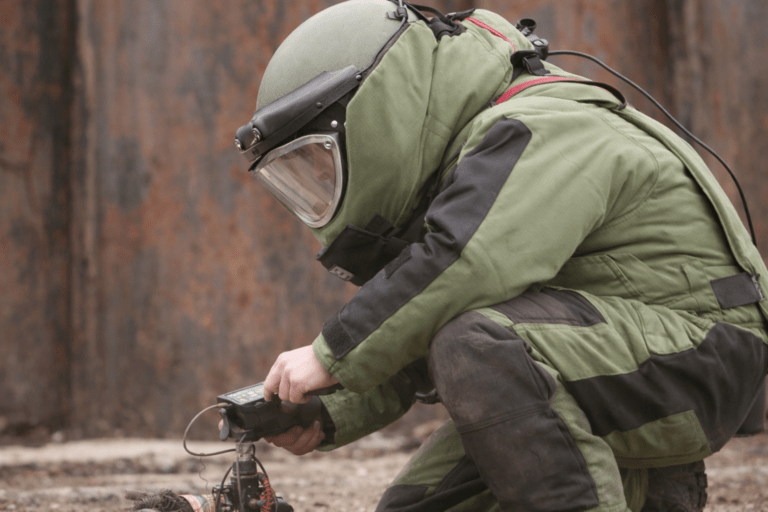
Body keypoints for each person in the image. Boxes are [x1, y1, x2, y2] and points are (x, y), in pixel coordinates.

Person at [233, 1, 768, 510]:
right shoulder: (482, 147)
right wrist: (325, 411)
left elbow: (465, 264)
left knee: (476, 343)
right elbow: (424, 331)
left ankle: (648, 479)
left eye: (318, 166)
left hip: (702, 353)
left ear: (383, 108)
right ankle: (649, 491)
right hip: (609, 358)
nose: (318, 189)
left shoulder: (544, 124)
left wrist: (330, 354)